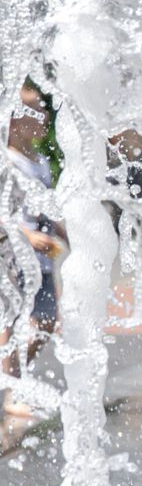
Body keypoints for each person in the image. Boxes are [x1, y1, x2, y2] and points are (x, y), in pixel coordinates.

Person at [2, 85, 65, 444]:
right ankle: (13, 391)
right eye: (32, 111)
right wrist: (28, 237)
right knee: (11, 324)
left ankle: (16, 384)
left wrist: (63, 231)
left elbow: (44, 210)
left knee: (45, 321)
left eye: (42, 110)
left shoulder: (38, 162)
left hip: (42, 258)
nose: (41, 117)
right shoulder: (7, 161)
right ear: (14, 119)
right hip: (12, 257)